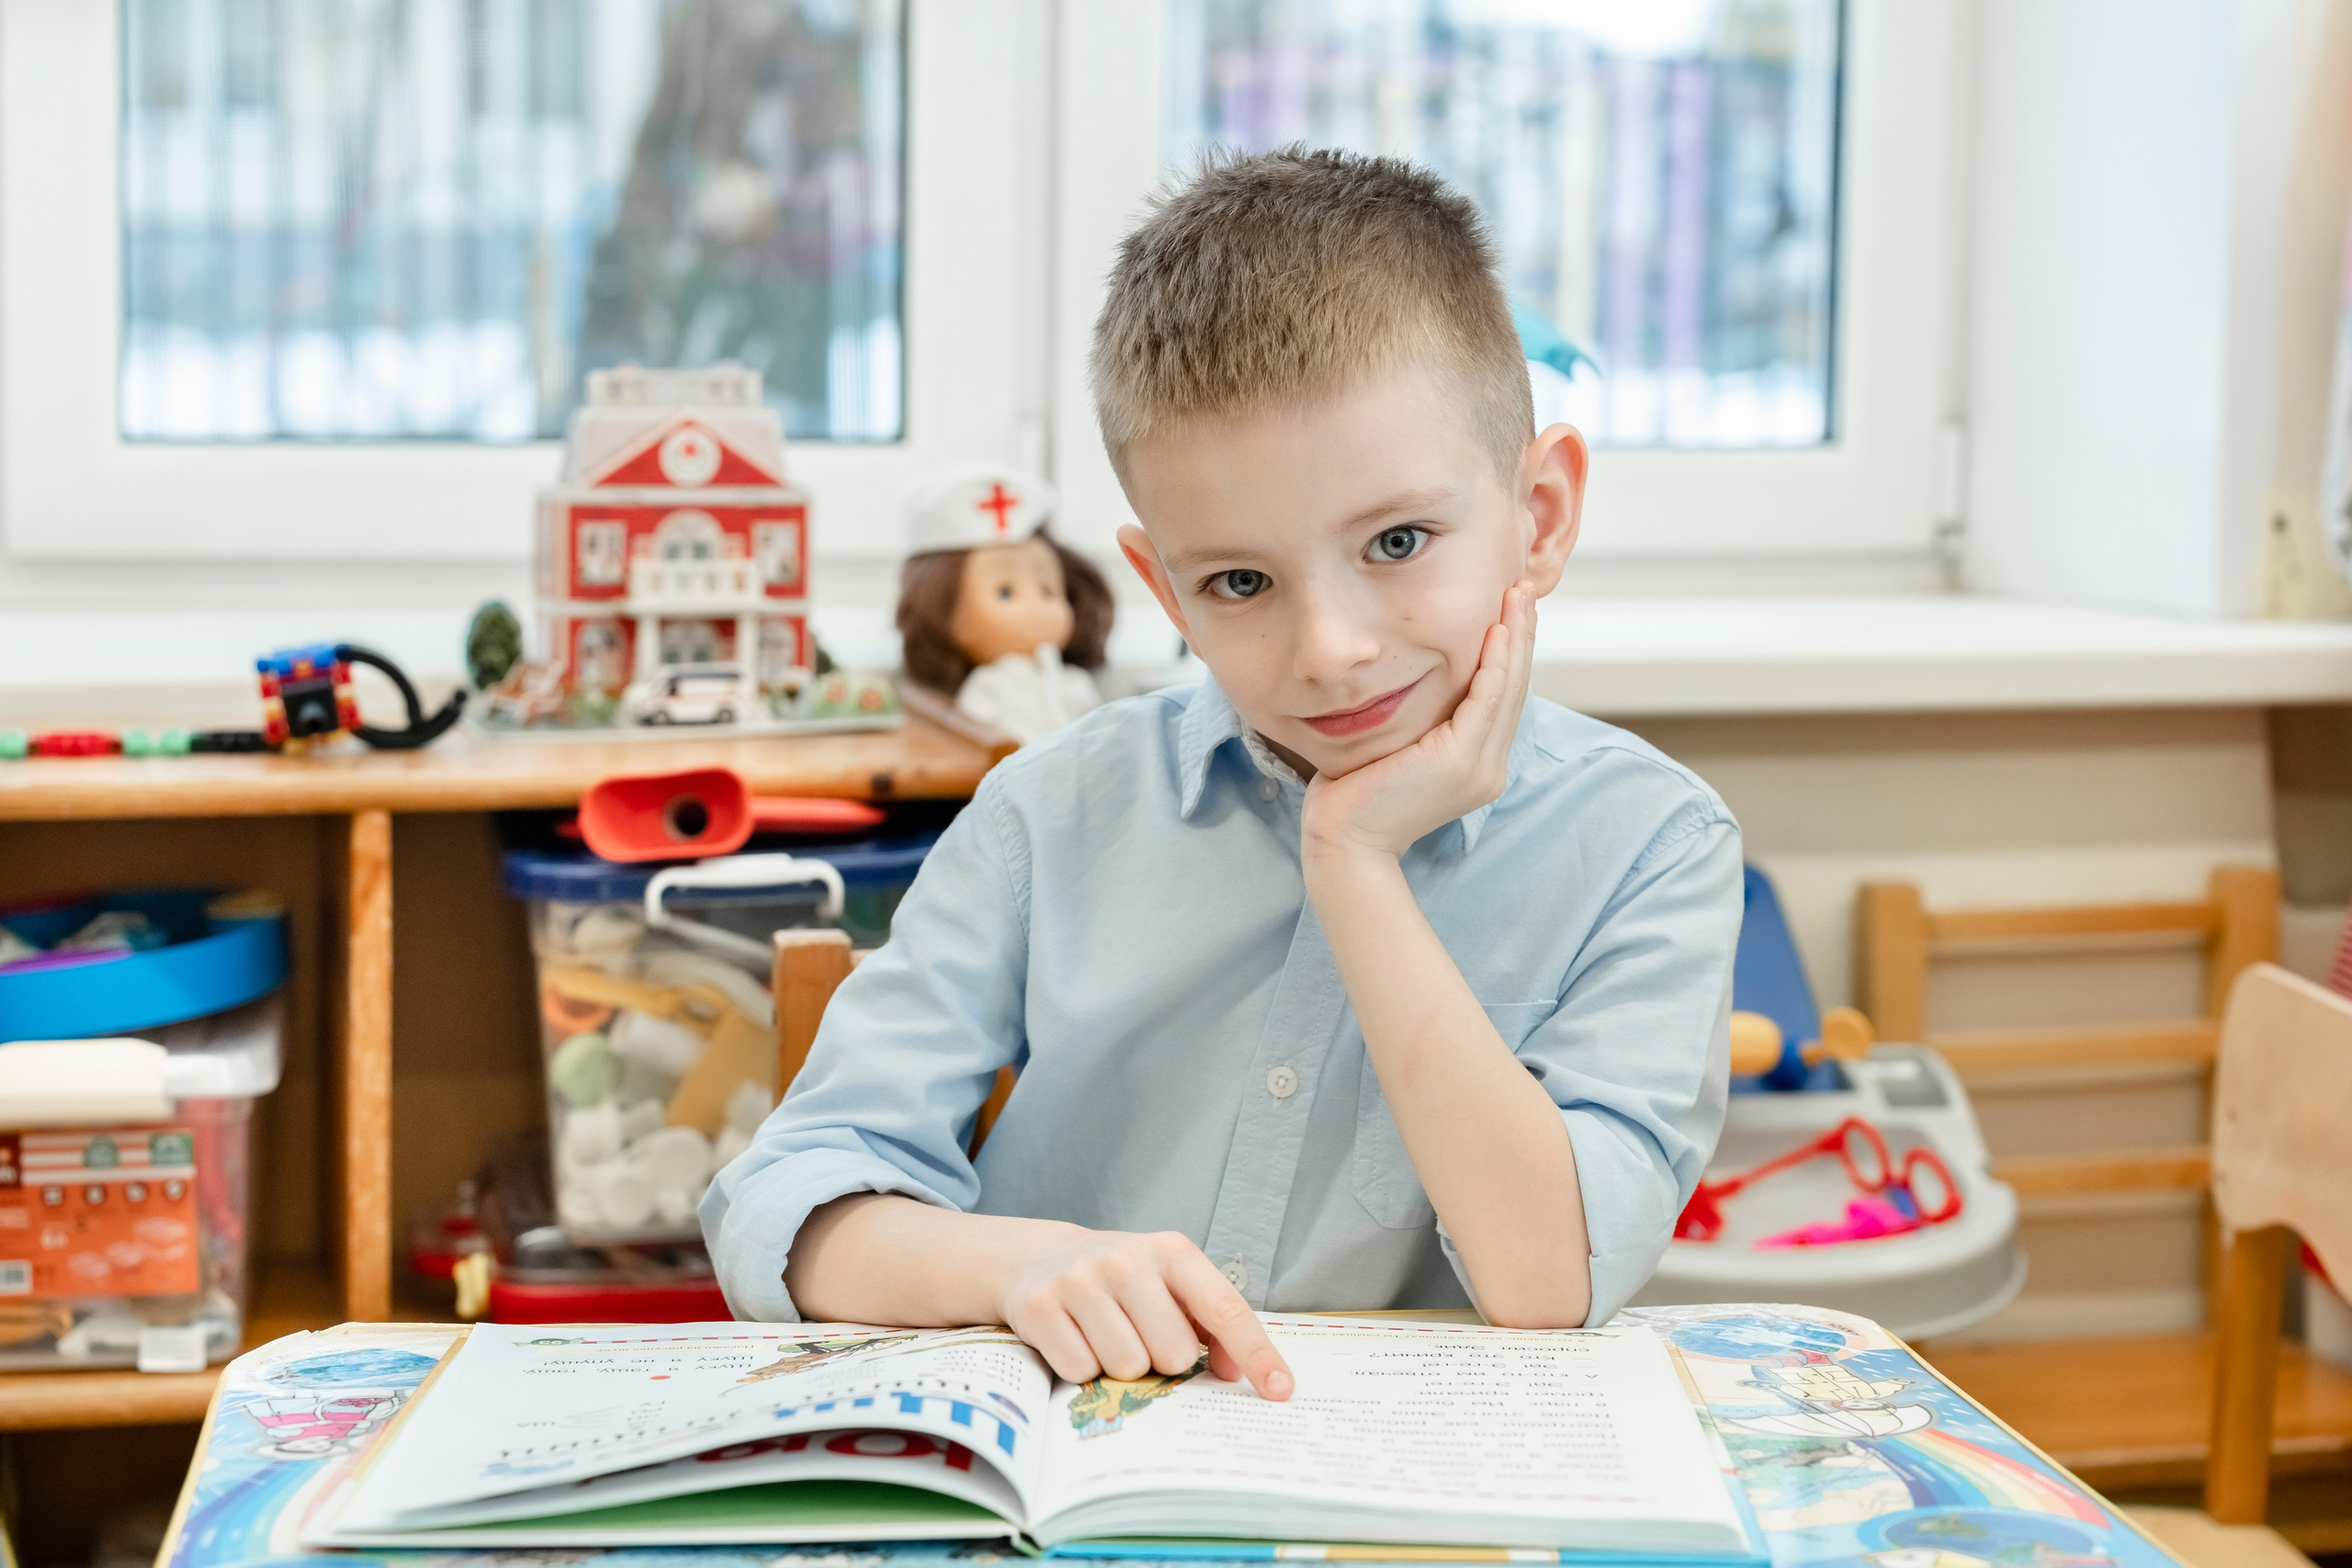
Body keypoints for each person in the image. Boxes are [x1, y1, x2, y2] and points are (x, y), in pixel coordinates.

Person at [703, 148, 1742, 1404]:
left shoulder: (1652, 843)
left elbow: (1549, 1278)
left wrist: (1354, 862)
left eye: (1398, 541)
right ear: (1164, 589)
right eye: (1240, 583)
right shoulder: (1052, 813)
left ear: (1542, 513)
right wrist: (1013, 1267)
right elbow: (782, 1202)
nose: (1331, 649)